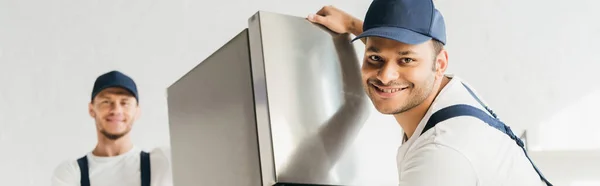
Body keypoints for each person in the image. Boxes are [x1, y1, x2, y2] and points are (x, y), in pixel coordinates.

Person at [307, 0, 553, 185]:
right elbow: (396, 49)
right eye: (375, 58)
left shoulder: (439, 155)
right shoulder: (448, 89)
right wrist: (352, 24)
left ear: (440, 64)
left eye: (405, 61)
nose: (385, 75)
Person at [51, 70, 172, 186]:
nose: (116, 110)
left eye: (125, 102)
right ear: (91, 109)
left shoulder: (162, 163)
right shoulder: (71, 173)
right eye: (106, 102)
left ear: (137, 111)